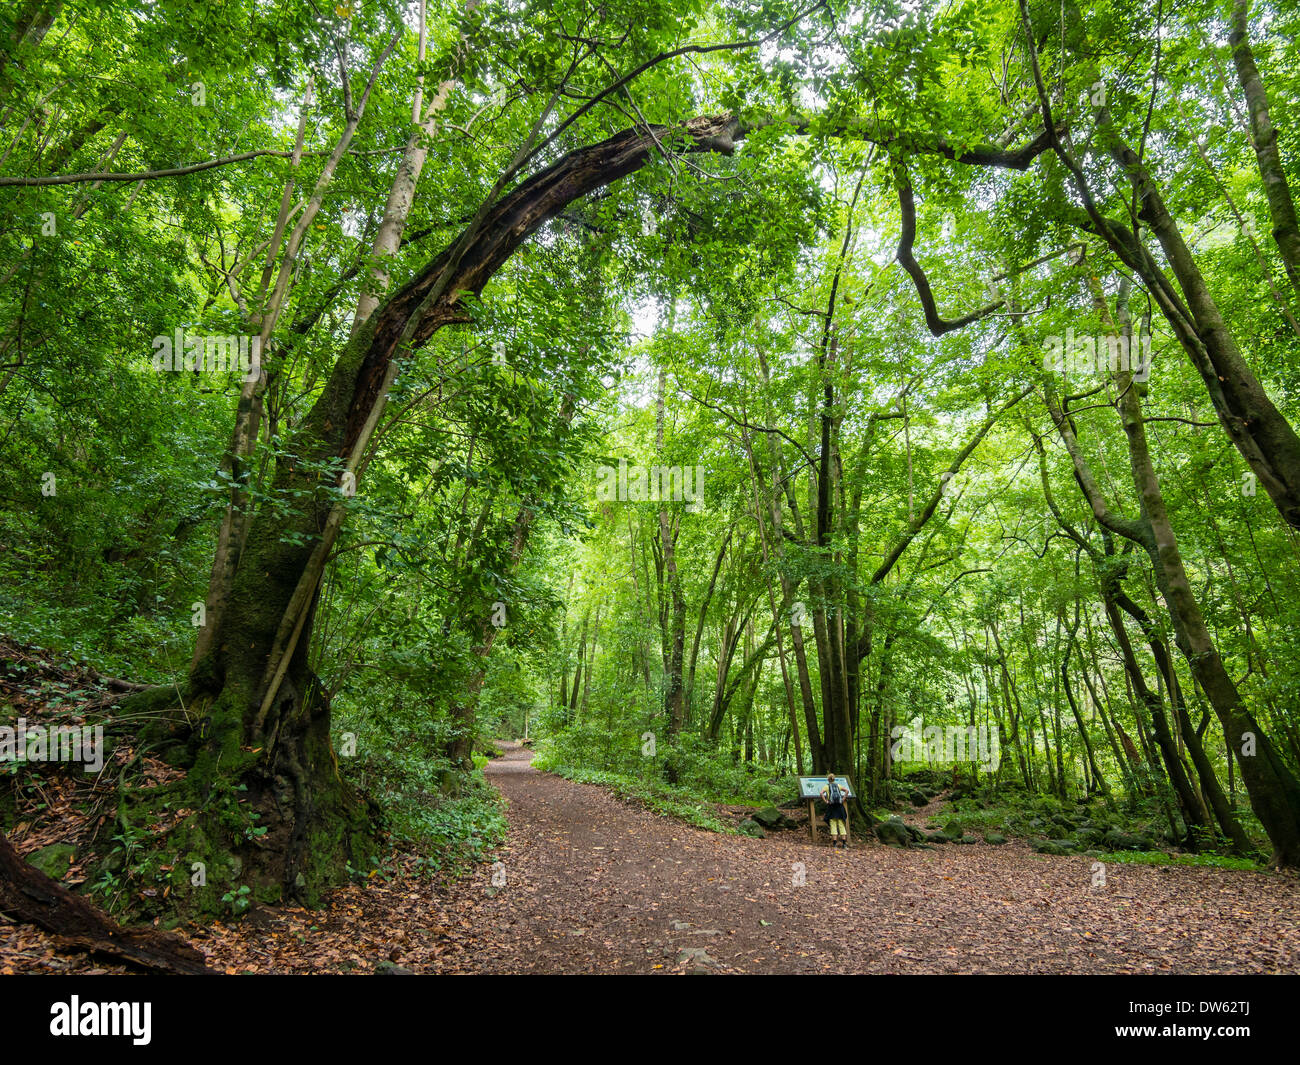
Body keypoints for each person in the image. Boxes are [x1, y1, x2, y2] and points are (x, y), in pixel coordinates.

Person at [820, 773, 848, 848]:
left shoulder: (826, 786)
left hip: (831, 807)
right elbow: (847, 791)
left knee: (833, 825)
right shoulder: (838, 786)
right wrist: (843, 799)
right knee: (842, 825)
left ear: (828, 779)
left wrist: (826, 801)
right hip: (840, 807)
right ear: (834, 779)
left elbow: (821, 793)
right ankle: (844, 844)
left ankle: (835, 844)